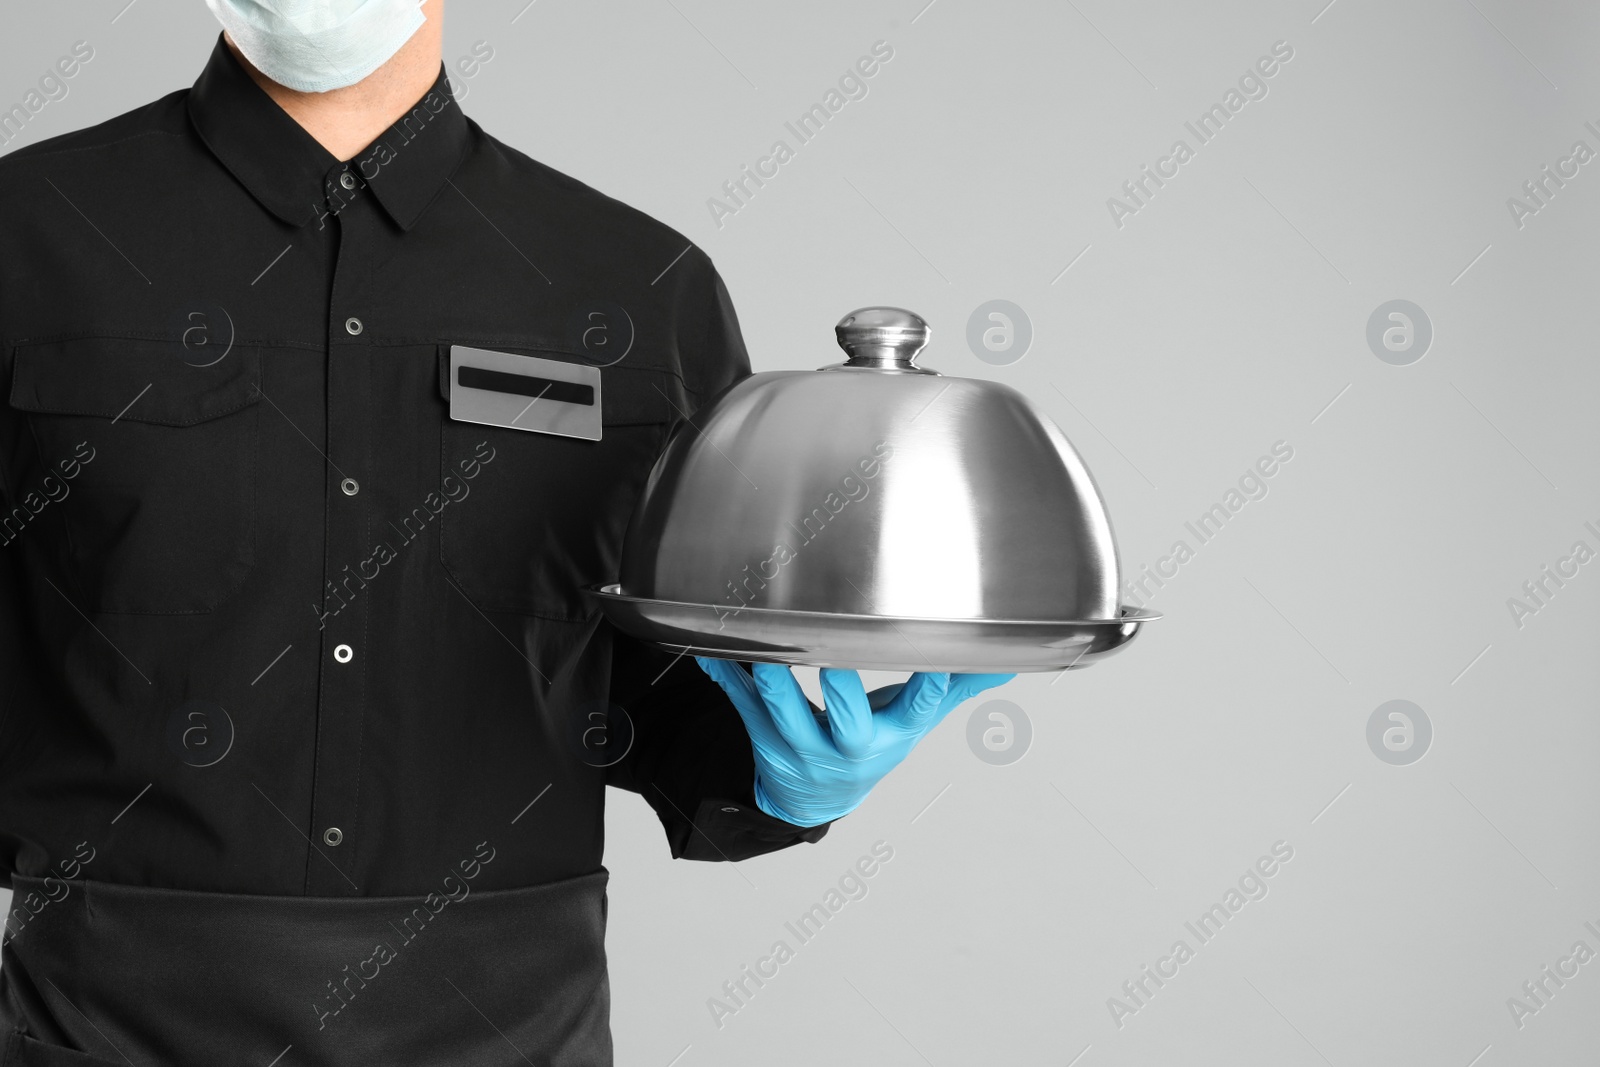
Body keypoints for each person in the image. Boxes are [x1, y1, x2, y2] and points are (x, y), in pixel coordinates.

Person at [0, 3, 1010, 1064]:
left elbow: (673, 701)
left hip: (514, 1032)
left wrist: (791, 784)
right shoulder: (28, 236)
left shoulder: (636, 290)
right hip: (104, 1030)